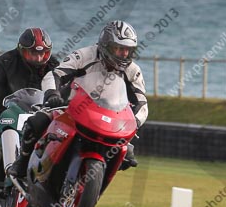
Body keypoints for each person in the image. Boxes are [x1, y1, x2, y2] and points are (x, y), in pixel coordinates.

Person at [9, 20, 147, 178]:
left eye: (128, 50)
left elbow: (142, 103)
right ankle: (21, 161)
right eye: (119, 49)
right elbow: (54, 74)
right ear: (106, 45)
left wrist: (134, 122)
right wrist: (52, 94)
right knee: (37, 122)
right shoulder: (84, 55)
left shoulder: (133, 71)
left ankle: (94, 186)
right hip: (70, 108)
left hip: (109, 120)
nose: (124, 54)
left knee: (127, 153)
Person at [0, 28, 59, 156]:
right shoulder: (5, 62)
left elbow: (64, 90)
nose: (39, 58)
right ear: (22, 50)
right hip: (4, 115)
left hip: (39, 117)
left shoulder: (54, 66)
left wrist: (57, 98)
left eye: (43, 53)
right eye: (33, 53)